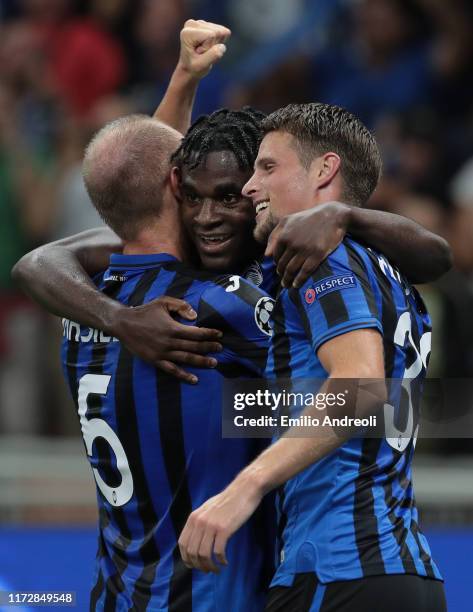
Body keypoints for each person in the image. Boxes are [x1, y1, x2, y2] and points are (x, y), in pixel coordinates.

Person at [178, 103, 447, 612]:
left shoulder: (322, 255)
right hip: (403, 568)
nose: (251, 187)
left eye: (268, 167)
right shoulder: (393, 274)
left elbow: (361, 389)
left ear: (325, 171)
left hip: (339, 571)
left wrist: (245, 487)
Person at [62, 113, 278, 611]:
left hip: (116, 595)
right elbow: (375, 408)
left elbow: (215, 409)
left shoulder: (81, 305)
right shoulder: (216, 306)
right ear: (178, 183)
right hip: (208, 598)